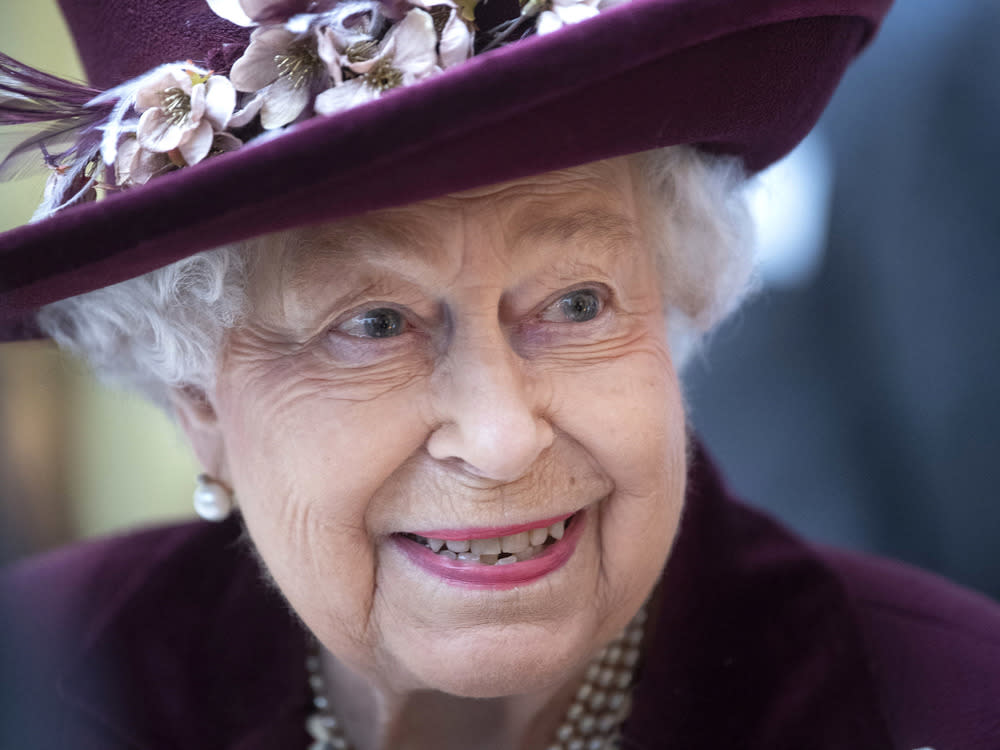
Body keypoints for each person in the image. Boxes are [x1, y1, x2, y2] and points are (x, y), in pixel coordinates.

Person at [0, 0, 998, 749]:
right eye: (375, 323)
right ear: (197, 398)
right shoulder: (33, 680)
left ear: (677, 303)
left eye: (576, 304)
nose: (501, 434)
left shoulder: (949, 703)